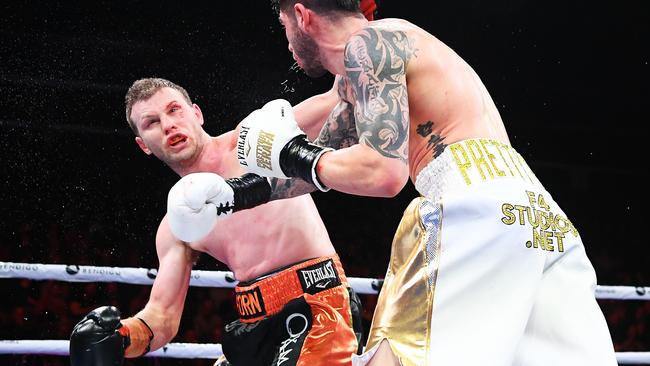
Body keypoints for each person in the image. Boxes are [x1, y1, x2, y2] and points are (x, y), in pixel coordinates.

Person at [167, 1, 619, 365]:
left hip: (471, 202)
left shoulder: (369, 45)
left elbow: (383, 173)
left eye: (284, 24)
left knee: (394, 358)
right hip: (538, 214)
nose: (287, 41)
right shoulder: (371, 63)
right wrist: (236, 194)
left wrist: (289, 151)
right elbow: (320, 164)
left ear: (302, 16)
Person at [68, 78, 364, 366]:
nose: (169, 125)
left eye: (174, 110)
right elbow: (161, 318)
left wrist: (354, 47)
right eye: (151, 123)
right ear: (143, 145)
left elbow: (337, 97)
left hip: (318, 307)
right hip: (253, 325)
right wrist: (121, 337)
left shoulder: (254, 141)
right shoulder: (176, 226)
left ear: (196, 113)